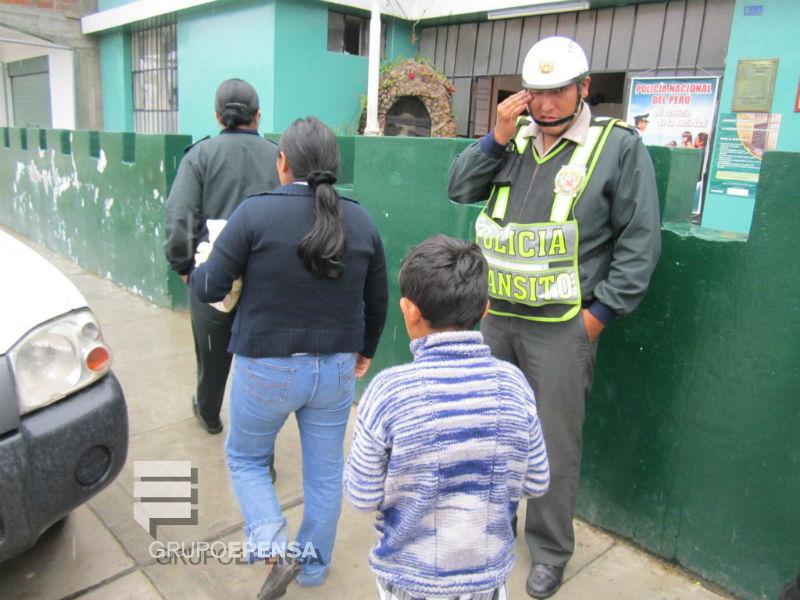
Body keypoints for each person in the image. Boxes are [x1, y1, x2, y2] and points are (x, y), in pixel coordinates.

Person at [446, 36, 661, 599]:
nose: (544, 105)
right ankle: (491, 527)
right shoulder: (511, 141)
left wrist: (598, 317)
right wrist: (493, 137)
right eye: (535, 93)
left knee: (552, 445)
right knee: (487, 432)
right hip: (497, 318)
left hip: (563, 327)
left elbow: (640, 240)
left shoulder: (616, 147)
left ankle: (549, 551)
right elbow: (458, 188)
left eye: (557, 91)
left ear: (584, 88)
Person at [189, 116, 388, 599]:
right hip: (337, 370)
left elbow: (210, 286)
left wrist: (196, 271)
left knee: (245, 460)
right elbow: (377, 299)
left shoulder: (254, 215)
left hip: (267, 367)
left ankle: (274, 546)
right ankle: (313, 572)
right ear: (335, 166)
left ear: (283, 163)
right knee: (324, 474)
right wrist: (364, 352)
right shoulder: (360, 220)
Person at [344, 235, 549, 600]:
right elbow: (535, 481)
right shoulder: (514, 384)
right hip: (487, 581)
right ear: (485, 309)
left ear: (408, 310)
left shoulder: (389, 391)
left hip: (409, 580)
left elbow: (361, 494)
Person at [164, 78, 280, 437]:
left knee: (212, 356)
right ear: (258, 116)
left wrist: (184, 265)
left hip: (212, 277)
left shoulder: (200, 156)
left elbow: (179, 216)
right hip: (267, 279)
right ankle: (260, 446)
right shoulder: (279, 157)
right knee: (261, 364)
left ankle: (210, 414)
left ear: (217, 116)